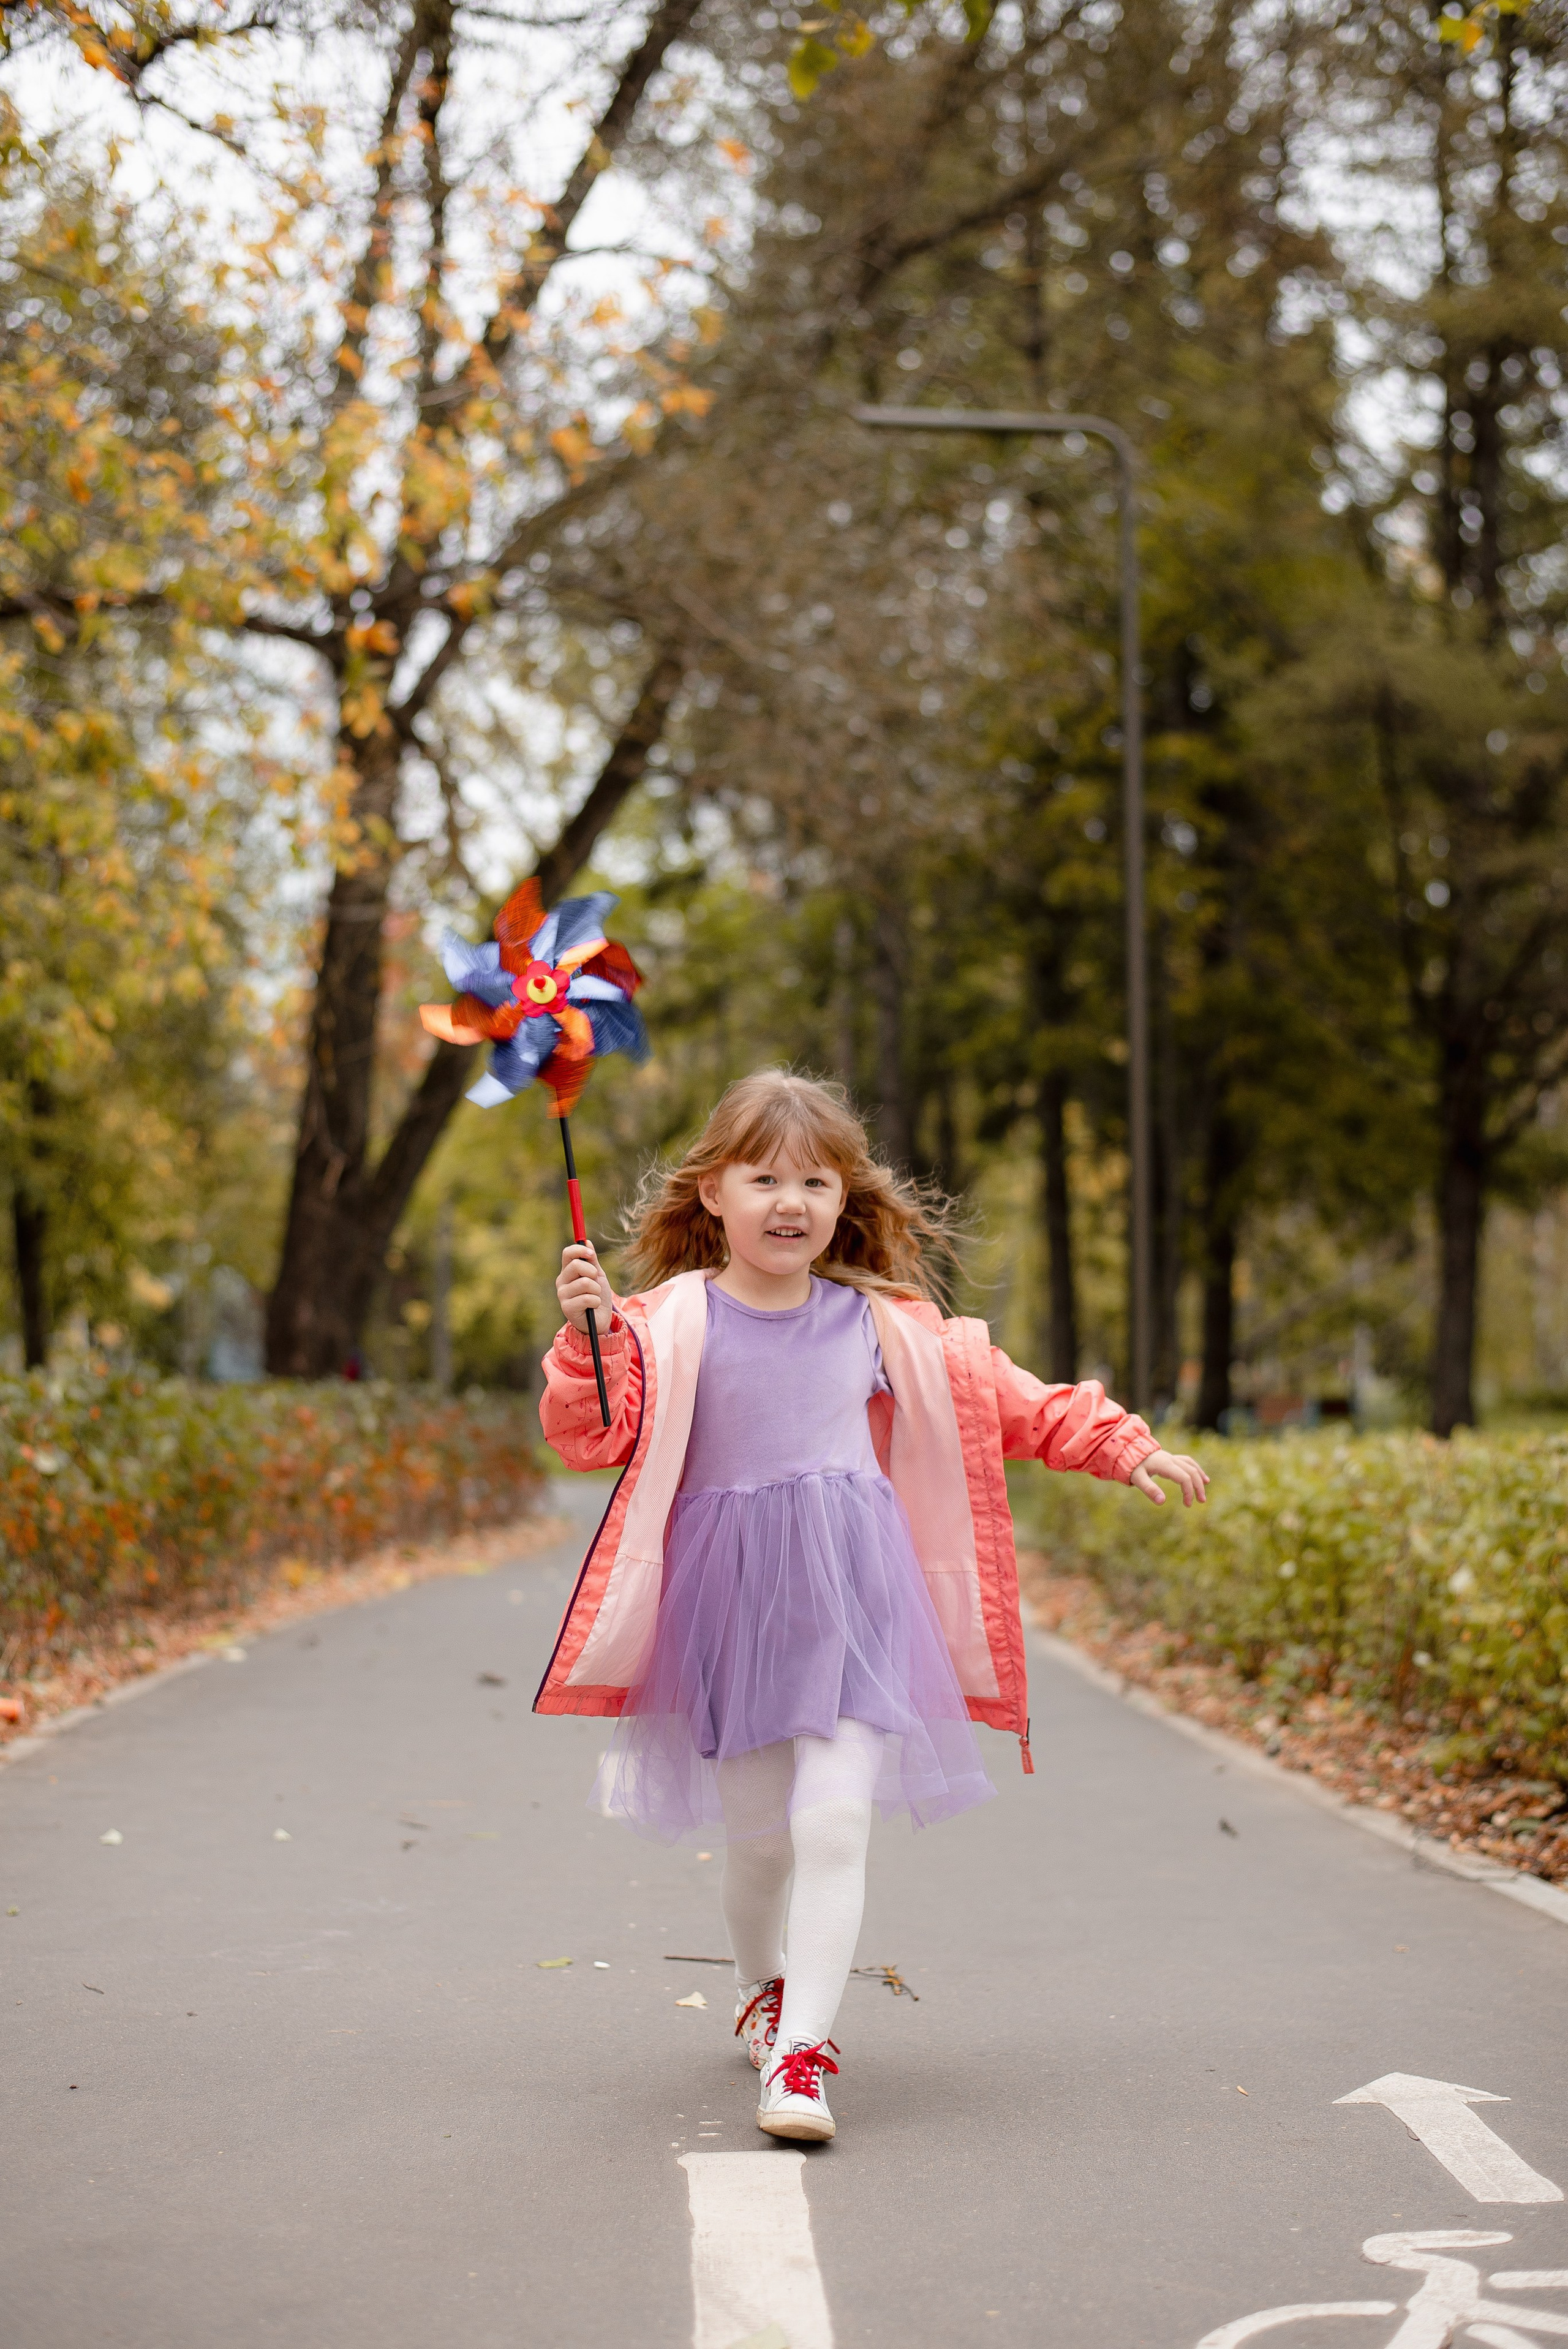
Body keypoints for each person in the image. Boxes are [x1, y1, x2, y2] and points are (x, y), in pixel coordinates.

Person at [535, 1070, 1207, 2144]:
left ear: (845, 1198)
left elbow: (1011, 1403)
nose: (791, 1202)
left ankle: (802, 2056)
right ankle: (760, 1989)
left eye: (817, 1181)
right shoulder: (662, 1324)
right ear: (713, 1193)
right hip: (734, 1613)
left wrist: (1123, 1445)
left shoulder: (882, 1327)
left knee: (835, 1822)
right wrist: (589, 1339)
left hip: (857, 1600)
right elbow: (589, 1435)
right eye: (764, 1179)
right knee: (763, 1846)